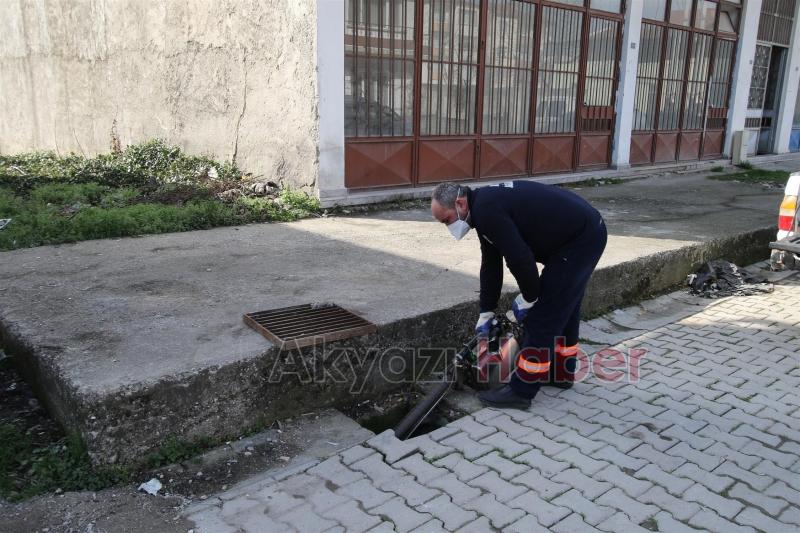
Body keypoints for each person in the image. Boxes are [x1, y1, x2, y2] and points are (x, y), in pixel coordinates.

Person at [430, 181, 607, 409]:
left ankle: (521, 391)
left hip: (581, 240)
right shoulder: (483, 207)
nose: (449, 227)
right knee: (565, 306)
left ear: (460, 203)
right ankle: (561, 374)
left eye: (447, 220)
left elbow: (520, 258)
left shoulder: (486, 210)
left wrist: (530, 298)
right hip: (584, 232)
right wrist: (486, 310)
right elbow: (491, 263)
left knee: (543, 316)